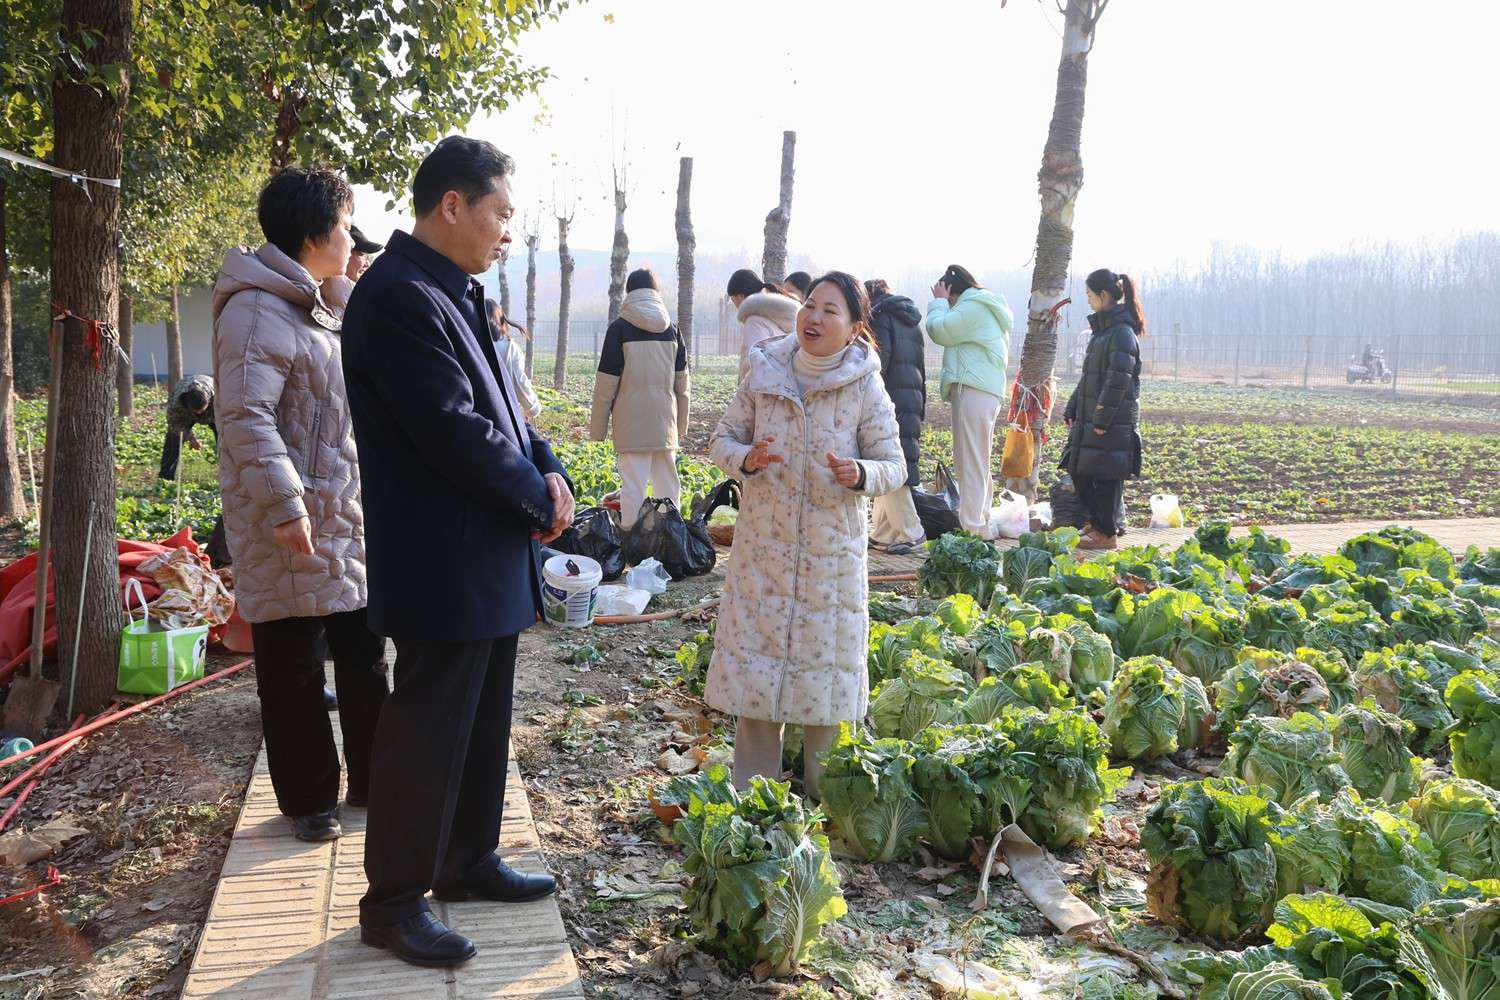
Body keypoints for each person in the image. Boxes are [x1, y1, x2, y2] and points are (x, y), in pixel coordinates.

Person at [342, 136, 574, 969]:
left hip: (486, 549)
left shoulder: (455, 293)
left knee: (481, 720)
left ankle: (465, 859)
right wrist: (530, 493)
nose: (506, 231)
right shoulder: (399, 297)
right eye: (500, 214)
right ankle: (394, 901)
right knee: (427, 729)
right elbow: (450, 429)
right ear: (452, 205)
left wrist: (546, 468)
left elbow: (507, 411)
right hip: (442, 554)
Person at [211, 166, 391, 845]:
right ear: (316, 232)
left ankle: (373, 783)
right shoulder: (257, 310)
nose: (351, 238)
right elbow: (246, 416)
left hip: (339, 513)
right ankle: (310, 801)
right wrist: (287, 506)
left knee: (364, 651)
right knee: (291, 663)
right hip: (290, 518)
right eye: (345, 226)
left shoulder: (311, 303)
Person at [707, 271, 906, 798]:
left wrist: (859, 474)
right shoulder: (765, 370)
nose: (814, 317)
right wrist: (745, 459)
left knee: (827, 675)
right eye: (810, 305)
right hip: (763, 551)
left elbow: (894, 464)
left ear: (855, 326)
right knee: (757, 671)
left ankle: (828, 795)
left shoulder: (865, 384)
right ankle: (754, 798)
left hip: (830, 553)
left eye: (830, 310)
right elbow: (722, 439)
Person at [589, 267, 690, 529]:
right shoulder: (673, 331)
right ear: (656, 293)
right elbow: (683, 386)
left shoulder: (619, 329)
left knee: (632, 487)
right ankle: (670, 540)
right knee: (667, 485)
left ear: (629, 293)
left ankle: (632, 543)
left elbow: (605, 385)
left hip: (631, 424)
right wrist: (679, 428)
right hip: (664, 422)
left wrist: (598, 430)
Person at [924, 264, 1012, 538]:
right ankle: (980, 522)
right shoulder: (980, 304)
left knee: (971, 462)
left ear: (952, 291)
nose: (949, 304)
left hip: (974, 389)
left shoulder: (972, 306)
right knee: (977, 459)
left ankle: (972, 528)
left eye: (949, 298)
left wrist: (938, 303)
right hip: (979, 389)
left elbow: (940, 331)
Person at [1062, 268, 1144, 552]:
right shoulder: (1103, 332)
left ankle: (1107, 533)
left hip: (1111, 421)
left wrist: (1102, 418)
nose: (1087, 300)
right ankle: (1098, 524)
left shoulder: (1121, 333)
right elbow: (1089, 377)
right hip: (1092, 416)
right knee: (1081, 469)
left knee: (1106, 477)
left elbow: (1118, 379)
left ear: (1104, 295)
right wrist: (1073, 405)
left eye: (1089, 294)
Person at [864, 279, 926, 554]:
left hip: (890, 397)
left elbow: (880, 362)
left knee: (889, 461)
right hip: (910, 396)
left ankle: (912, 532)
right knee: (891, 458)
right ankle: (884, 531)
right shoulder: (909, 320)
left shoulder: (879, 317)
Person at [727, 268, 798, 383]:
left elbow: (754, 364)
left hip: (761, 392)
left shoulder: (754, 322)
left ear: (739, 296)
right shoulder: (778, 318)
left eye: (732, 298)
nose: (733, 303)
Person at [485, 298, 542, 422]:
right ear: (500, 320)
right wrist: (533, 408)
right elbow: (518, 382)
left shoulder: (471, 345)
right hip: (503, 416)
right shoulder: (508, 348)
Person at [158, 374, 216, 481]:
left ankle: (229, 473)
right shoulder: (177, 403)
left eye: (202, 410)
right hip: (185, 413)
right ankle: (166, 478)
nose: (199, 414)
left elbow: (226, 419)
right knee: (173, 440)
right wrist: (191, 438)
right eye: (196, 412)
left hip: (213, 413)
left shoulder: (218, 396)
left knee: (225, 438)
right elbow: (175, 424)